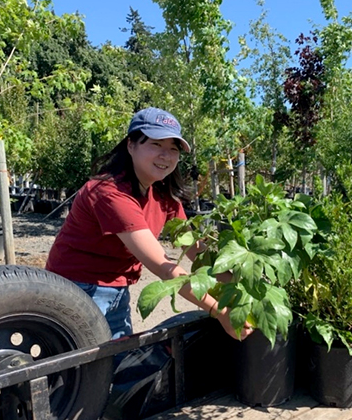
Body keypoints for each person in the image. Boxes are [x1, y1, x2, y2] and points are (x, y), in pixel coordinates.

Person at [46, 107, 251, 341]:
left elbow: (195, 250)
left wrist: (240, 285)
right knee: (82, 371)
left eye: (173, 149)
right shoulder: (110, 193)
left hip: (116, 290)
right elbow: (164, 267)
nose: (165, 156)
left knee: (113, 366)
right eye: (156, 145)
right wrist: (220, 312)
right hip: (76, 289)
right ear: (131, 145)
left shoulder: (164, 195)